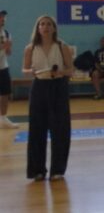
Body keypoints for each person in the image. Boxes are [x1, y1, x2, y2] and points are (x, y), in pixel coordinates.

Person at [21, 15, 74, 181]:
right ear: (38, 28)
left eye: (49, 24)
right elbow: (25, 69)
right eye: (42, 24)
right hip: (39, 87)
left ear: (54, 28)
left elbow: (71, 70)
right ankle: (37, 170)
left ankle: (57, 170)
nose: (45, 27)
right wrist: (31, 72)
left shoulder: (62, 46)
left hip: (58, 87)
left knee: (60, 128)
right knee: (37, 128)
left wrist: (61, 72)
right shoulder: (30, 48)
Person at [0, 10, 18, 129]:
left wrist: (8, 48)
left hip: (3, 67)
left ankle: (3, 118)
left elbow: (8, 53)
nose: (3, 19)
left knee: (5, 93)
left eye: (4, 17)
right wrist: (3, 46)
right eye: (1, 17)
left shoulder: (6, 33)